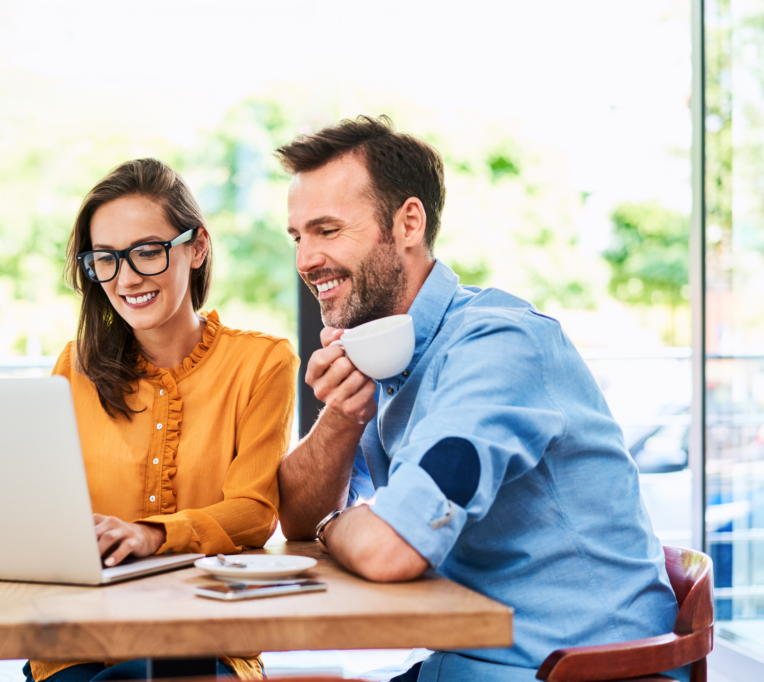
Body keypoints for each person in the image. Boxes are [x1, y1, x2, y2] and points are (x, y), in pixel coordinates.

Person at [275, 116, 685, 682]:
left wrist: (333, 525)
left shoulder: (498, 347)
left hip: (580, 670)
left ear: (408, 224)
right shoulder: (386, 352)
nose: (304, 260)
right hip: (473, 660)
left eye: (327, 230)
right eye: (298, 237)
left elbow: (387, 551)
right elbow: (296, 516)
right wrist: (342, 416)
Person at [25, 158, 298, 682]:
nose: (126, 278)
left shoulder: (263, 363)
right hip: (80, 643)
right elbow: (45, 503)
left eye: (147, 252)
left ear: (196, 248)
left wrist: (155, 534)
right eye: (105, 259)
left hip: (208, 642)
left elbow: (254, 512)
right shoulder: (73, 367)